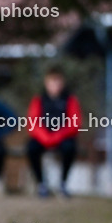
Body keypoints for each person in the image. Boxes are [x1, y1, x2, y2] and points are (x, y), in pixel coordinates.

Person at [26, 65, 81, 198]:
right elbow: (33, 123)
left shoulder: (70, 100)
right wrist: (45, 137)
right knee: (31, 148)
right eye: (52, 82)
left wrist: (58, 135)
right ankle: (41, 184)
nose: (55, 86)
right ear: (46, 83)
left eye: (58, 82)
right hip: (43, 137)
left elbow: (75, 123)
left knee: (70, 148)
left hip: (63, 137)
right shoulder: (39, 100)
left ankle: (62, 184)